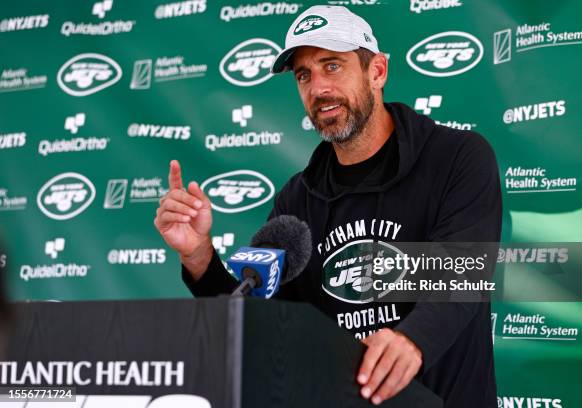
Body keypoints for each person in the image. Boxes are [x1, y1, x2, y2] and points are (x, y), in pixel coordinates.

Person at [154, 5, 501, 407]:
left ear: (377, 72)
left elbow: (463, 272)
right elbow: (256, 323)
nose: (318, 88)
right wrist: (199, 257)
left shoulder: (457, 157)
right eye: (304, 75)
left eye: (332, 66)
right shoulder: (296, 199)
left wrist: (411, 339)